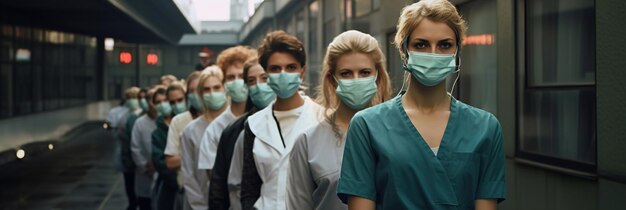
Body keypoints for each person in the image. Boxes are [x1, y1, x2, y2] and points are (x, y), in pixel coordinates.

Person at [336, 1, 506, 209]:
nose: (433, 54)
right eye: (421, 44)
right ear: (404, 49)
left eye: (444, 45)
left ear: (457, 51)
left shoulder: (485, 128)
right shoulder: (367, 126)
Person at [286, 30, 392, 210]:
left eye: (365, 72)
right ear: (332, 79)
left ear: (378, 76)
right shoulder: (308, 143)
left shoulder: (397, 132)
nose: (356, 79)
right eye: (346, 73)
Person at [240, 31, 323, 210]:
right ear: (266, 73)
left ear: (302, 71)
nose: (283, 74)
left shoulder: (322, 118)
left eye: (291, 67)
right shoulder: (254, 125)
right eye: (275, 69)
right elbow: (249, 189)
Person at [208, 59, 275, 210]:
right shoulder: (234, 132)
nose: (259, 85)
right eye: (252, 81)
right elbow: (220, 187)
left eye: (264, 78)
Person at [198, 46, 257, 181]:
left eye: (242, 76)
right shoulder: (215, 130)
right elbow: (214, 179)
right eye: (231, 77)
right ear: (224, 83)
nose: (237, 81)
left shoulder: (266, 119)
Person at [179, 66, 227, 210]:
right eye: (206, 89)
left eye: (217, 87)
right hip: (201, 202)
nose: (212, 93)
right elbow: (188, 174)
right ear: (200, 94)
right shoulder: (190, 130)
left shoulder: (236, 124)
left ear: (225, 89)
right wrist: (200, 206)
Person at [164, 72, 202, 209]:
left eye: (199, 89)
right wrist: (198, 153)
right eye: (191, 91)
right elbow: (170, 162)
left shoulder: (221, 120)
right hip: (187, 190)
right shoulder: (180, 121)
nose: (195, 94)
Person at [152, 83, 187, 210]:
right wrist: (178, 181)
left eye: (180, 100)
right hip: (173, 187)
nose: (177, 105)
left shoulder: (192, 120)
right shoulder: (158, 132)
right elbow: (162, 162)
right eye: (172, 102)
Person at [132, 87, 166, 210]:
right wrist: (145, 165)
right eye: (154, 101)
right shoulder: (139, 123)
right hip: (145, 174)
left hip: (164, 174)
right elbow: (135, 148)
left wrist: (159, 163)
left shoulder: (169, 122)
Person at [119, 86, 141, 210]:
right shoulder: (125, 114)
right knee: (129, 185)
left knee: (136, 186)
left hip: (135, 157)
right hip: (126, 156)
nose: (131, 100)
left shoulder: (139, 115)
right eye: (129, 98)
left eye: (134, 98)